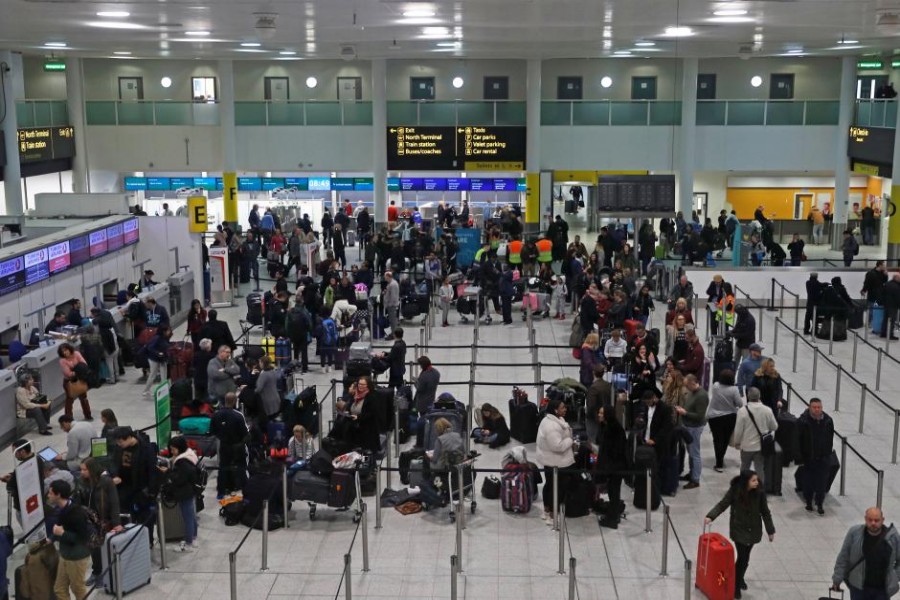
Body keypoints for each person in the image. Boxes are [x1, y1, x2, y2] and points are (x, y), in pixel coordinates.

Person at [705, 470, 776, 598]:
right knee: (742, 558)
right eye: (753, 480)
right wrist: (711, 516)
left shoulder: (759, 493)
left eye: (757, 480)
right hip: (739, 529)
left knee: (745, 557)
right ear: (746, 481)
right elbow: (722, 504)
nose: (757, 482)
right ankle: (736, 585)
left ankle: (740, 578)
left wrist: (770, 530)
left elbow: (765, 512)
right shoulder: (735, 491)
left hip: (754, 530)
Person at [831, 507, 900, 599]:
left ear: (882, 520)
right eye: (870, 520)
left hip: (882, 589)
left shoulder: (892, 538)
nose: (873, 523)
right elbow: (844, 556)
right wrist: (837, 578)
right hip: (858, 588)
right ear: (865, 519)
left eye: (876, 520)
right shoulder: (855, 533)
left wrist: (894, 577)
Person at [78, 457, 122, 586]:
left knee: (103, 548)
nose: (82, 472)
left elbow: (114, 503)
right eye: (81, 469)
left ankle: (104, 573)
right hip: (89, 521)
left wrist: (117, 522)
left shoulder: (106, 482)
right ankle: (96, 572)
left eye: (84, 469)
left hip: (104, 520)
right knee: (93, 549)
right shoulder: (81, 482)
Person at [109, 426, 157, 543]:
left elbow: (152, 471)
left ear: (130, 437)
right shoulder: (119, 448)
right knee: (126, 517)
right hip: (123, 488)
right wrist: (115, 475)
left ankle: (147, 541)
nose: (119, 444)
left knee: (144, 518)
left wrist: (151, 492)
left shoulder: (146, 449)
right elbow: (113, 463)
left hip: (140, 489)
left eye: (121, 442)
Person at [536, 397, 576, 526]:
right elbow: (557, 446)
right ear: (555, 410)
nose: (565, 409)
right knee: (556, 487)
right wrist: (571, 440)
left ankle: (548, 508)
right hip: (556, 462)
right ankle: (552, 511)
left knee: (551, 485)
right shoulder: (552, 426)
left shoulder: (555, 420)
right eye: (562, 408)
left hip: (553, 460)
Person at [49, 480, 92, 600]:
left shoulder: (77, 513)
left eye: (50, 493)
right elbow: (59, 527)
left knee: (77, 588)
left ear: (58, 495)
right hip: (65, 554)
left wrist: (62, 533)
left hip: (77, 557)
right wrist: (51, 539)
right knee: (59, 588)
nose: (48, 495)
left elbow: (81, 538)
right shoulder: (61, 510)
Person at [159, 436, 200, 552]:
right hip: (190, 490)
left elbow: (179, 478)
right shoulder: (189, 454)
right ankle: (193, 537)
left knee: (187, 517)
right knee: (191, 515)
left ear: (180, 448)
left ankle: (188, 543)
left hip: (184, 492)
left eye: (173, 449)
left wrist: (168, 472)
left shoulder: (182, 461)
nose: (172, 452)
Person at [797, 397, 835, 515]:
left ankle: (819, 503)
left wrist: (828, 453)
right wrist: (800, 456)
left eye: (819, 407)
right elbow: (798, 439)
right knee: (808, 480)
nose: (817, 410)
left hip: (823, 457)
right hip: (809, 457)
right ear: (809, 407)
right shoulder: (803, 421)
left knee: (822, 481)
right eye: (814, 407)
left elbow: (830, 438)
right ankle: (808, 501)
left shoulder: (828, 421)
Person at [731, 387, 778, 480]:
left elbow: (739, 430)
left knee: (744, 467)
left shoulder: (742, 411)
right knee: (759, 468)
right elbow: (774, 427)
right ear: (759, 396)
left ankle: (743, 488)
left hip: (746, 446)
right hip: (761, 446)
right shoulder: (767, 410)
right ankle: (760, 490)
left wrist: (737, 442)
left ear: (748, 396)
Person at [210, 392, 249, 499]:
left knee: (223, 468)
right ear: (235, 401)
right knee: (241, 468)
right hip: (237, 446)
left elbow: (212, 431)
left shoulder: (216, 415)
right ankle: (246, 493)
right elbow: (245, 433)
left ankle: (221, 493)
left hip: (224, 446)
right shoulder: (238, 416)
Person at [595, 404, 627, 529]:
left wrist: (607, 468)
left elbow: (615, 451)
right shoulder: (605, 426)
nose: (599, 415)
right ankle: (613, 513)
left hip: (615, 467)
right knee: (612, 491)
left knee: (614, 491)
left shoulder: (614, 429)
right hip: (610, 466)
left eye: (602, 413)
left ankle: (613, 518)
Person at [677, 374, 708, 489]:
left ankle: (695, 479)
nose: (686, 388)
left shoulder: (701, 396)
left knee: (694, 453)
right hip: (688, 425)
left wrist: (685, 413)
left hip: (695, 427)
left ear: (692, 383)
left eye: (687, 386)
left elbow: (700, 416)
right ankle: (691, 473)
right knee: (690, 452)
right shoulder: (692, 392)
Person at [708, 369, 743, 472]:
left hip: (714, 417)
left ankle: (719, 462)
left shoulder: (716, 386)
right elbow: (740, 404)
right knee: (725, 439)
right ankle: (721, 458)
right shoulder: (734, 390)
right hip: (729, 417)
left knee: (717, 439)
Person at [58, 343, 92, 421]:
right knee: (69, 400)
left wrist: (76, 370)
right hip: (69, 382)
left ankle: (88, 415)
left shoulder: (76, 354)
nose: (65, 353)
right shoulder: (62, 361)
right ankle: (68, 418)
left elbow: (84, 365)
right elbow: (68, 373)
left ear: (69, 349)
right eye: (62, 352)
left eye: (65, 350)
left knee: (84, 398)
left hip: (80, 380)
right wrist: (79, 369)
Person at [143, 326, 172, 396]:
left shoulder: (166, 337)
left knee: (164, 375)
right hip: (154, 359)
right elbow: (150, 347)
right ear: (164, 331)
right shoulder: (157, 338)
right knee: (153, 374)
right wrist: (158, 353)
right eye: (168, 330)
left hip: (162, 359)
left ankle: (164, 391)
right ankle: (146, 390)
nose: (170, 332)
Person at [254, 356, 282, 423]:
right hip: (276, 399)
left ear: (263, 363)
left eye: (260, 362)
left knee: (267, 421)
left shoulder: (264, 375)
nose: (259, 364)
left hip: (267, 401)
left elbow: (259, 389)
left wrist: (251, 392)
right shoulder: (273, 371)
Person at [382, 327, 407, 393]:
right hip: (400, 368)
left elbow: (390, 358)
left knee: (392, 387)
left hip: (395, 370)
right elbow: (395, 354)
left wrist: (381, 357)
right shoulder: (403, 343)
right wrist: (386, 353)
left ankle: (391, 400)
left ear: (394, 335)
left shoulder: (396, 346)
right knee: (398, 386)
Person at [881, 272, 900, 340]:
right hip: (893, 306)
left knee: (885, 319)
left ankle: (883, 333)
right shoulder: (897, 287)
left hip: (886, 304)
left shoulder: (887, 284)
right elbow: (898, 297)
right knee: (891, 320)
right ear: (896, 278)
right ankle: (890, 334)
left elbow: (882, 294)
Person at [382, 271, 400, 340]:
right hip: (390, 305)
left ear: (389, 276)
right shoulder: (390, 284)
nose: (385, 278)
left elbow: (393, 296)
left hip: (392, 305)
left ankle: (393, 334)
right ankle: (393, 332)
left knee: (393, 321)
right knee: (392, 320)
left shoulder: (393, 284)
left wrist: (390, 304)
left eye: (385, 277)